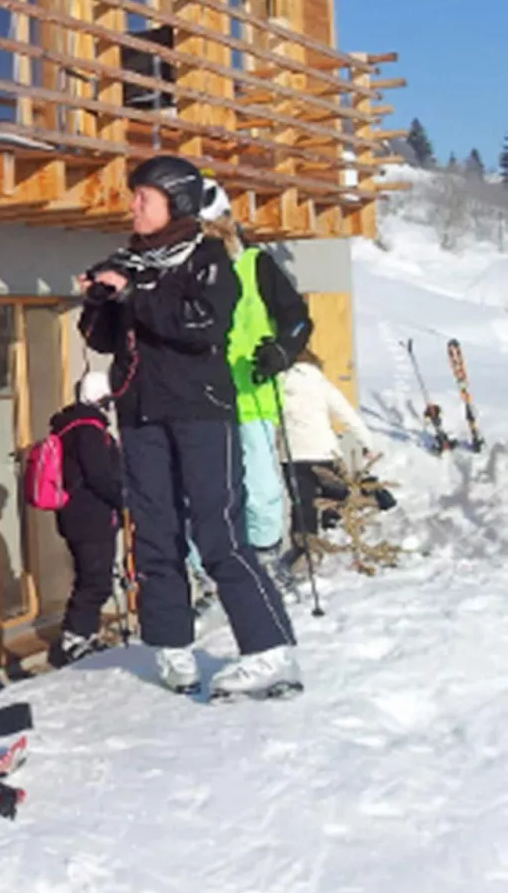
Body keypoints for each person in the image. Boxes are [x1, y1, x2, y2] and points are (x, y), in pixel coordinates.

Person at [78, 154, 301, 700]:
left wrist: (135, 295)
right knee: (154, 533)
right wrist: (99, 299)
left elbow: (200, 326)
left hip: (201, 410)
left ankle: (269, 652)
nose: (133, 205)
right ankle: (171, 645)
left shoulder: (208, 258)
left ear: (174, 202)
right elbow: (104, 339)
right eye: (133, 196)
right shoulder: (128, 260)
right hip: (140, 412)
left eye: (143, 197)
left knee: (218, 530)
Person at [184, 180, 315, 593]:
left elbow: (297, 318)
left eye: (208, 230)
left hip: (251, 396)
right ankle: (202, 573)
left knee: (260, 491)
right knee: (201, 493)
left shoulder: (255, 264)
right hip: (198, 402)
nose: (203, 240)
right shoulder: (181, 269)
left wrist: (282, 350)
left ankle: (264, 560)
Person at [278, 347, 379, 575]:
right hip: (325, 451)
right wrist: (367, 443)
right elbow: (346, 413)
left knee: (302, 503)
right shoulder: (319, 382)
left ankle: (307, 548)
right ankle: (343, 535)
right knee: (336, 494)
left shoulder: (279, 381)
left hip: (293, 455)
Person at [48, 370, 125, 668]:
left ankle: (83, 634)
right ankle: (74, 638)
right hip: (91, 515)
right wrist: (122, 498)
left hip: (75, 514)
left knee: (91, 576)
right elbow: (99, 474)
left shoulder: (67, 427)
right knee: (96, 580)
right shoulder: (89, 429)